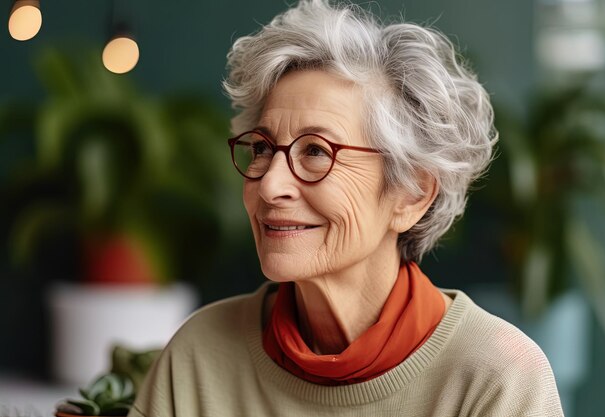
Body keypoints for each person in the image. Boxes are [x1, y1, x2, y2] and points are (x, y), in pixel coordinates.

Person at [129, 1, 564, 416]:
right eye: (262, 148)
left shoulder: (498, 379)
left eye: (316, 151)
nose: (270, 184)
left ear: (411, 193)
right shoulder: (198, 356)